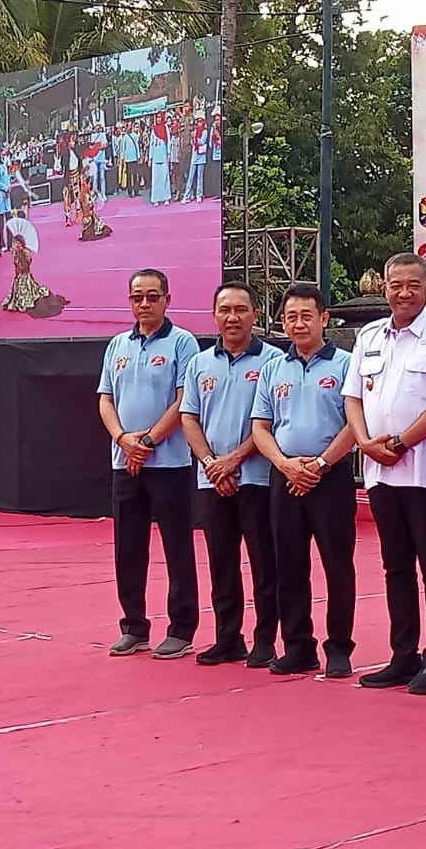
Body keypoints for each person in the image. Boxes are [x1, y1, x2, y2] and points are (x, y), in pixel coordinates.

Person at [343, 252, 426, 696]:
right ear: (386, 287)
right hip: (380, 472)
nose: (403, 292)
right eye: (396, 284)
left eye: (413, 284)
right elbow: (353, 398)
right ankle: (403, 655)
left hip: (425, 473)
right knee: (395, 565)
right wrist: (364, 441)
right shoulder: (370, 336)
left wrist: (400, 443)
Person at [252, 283, 357, 677]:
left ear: (324, 319)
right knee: (288, 565)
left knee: (337, 565)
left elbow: (355, 423)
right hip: (284, 478)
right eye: (290, 317)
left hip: (330, 477)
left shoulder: (346, 364)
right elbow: (261, 426)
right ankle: (298, 646)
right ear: (283, 321)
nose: (298, 324)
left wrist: (320, 465)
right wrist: (284, 464)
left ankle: (340, 648)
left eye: (306, 316)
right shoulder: (273, 368)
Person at [97, 268, 201, 660]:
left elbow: (184, 401)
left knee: (177, 545)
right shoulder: (117, 345)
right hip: (124, 462)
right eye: (137, 297)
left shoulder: (182, 343)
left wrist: (148, 439)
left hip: (169, 462)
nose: (144, 304)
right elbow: (105, 399)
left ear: (167, 300)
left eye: (152, 297)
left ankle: (181, 628)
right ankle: (134, 626)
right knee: (128, 547)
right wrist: (124, 439)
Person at [180, 281, 280, 668]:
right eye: (225, 310)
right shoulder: (199, 364)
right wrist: (210, 463)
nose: (232, 317)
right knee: (221, 563)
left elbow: (268, 423)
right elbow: (189, 417)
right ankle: (228, 637)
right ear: (215, 315)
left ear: (255, 314)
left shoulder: (273, 361)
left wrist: (233, 460)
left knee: (263, 563)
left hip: (256, 478)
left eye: (241, 309)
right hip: (211, 479)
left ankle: (266, 641)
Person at [0, 206, 70, 318]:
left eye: (16, 244)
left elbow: (25, 267)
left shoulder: (26, 253)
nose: (14, 246)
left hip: (25, 276)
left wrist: (21, 258)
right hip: (19, 277)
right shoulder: (16, 250)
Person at [149, 114, 172, 205]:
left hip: (163, 156)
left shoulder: (165, 127)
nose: (158, 119)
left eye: (159, 117)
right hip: (155, 157)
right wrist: (150, 158)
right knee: (156, 179)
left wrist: (169, 153)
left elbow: (168, 141)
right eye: (157, 118)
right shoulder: (153, 129)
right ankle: (156, 199)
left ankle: (166, 198)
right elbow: (151, 144)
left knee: (165, 178)